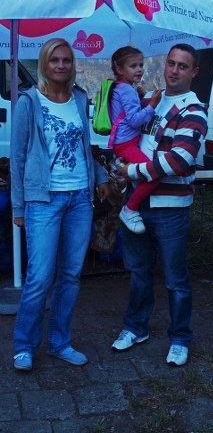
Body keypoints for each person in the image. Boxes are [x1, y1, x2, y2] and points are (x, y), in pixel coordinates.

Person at [10, 38, 110, 372]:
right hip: (44, 199)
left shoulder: (79, 98)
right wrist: (18, 208)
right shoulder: (28, 102)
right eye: (55, 60)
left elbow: (85, 145)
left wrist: (99, 176)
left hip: (80, 198)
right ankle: (24, 346)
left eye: (67, 60)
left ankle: (59, 342)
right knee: (39, 277)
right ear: (44, 63)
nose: (61, 66)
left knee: (70, 275)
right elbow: (18, 158)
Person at [111, 43, 207, 367]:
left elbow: (178, 160)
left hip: (170, 208)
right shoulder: (151, 101)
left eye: (183, 65)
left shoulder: (193, 110)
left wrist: (131, 171)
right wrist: (120, 166)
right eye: (171, 63)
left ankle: (180, 338)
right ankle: (135, 328)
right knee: (138, 272)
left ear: (194, 71)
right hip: (136, 203)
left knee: (175, 279)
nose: (174, 70)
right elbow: (132, 139)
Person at [109, 46, 162, 234]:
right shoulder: (127, 91)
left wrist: (139, 97)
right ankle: (130, 209)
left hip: (120, 143)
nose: (139, 69)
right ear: (119, 69)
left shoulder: (118, 87)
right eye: (133, 66)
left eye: (140, 65)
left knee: (141, 174)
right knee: (153, 174)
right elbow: (134, 120)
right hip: (126, 144)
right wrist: (153, 105)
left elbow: (124, 113)